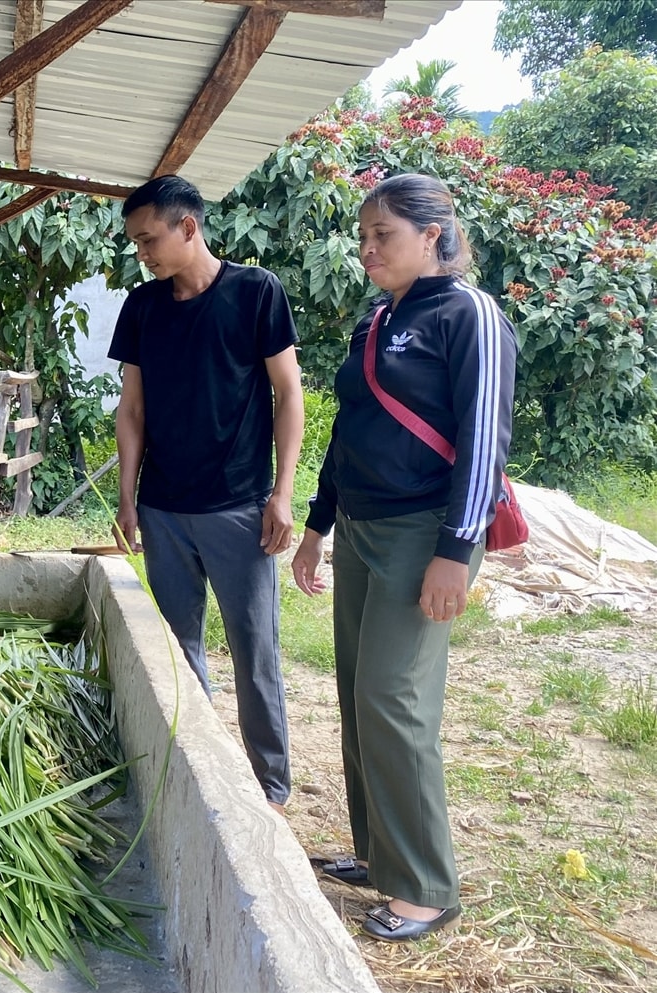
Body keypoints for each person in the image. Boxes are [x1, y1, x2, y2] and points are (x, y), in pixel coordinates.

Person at [292, 172, 517, 942]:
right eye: (362, 238)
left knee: (394, 698)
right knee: (358, 695)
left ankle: (426, 884)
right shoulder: (377, 319)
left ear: (433, 234)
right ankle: (379, 854)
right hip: (360, 525)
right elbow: (349, 426)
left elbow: (484, 438)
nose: (366, 251)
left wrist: (458, 550)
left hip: (427, 533)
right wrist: (318, 524)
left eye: (381, 236)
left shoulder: (471, 314)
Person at [109, 174, 304, 812]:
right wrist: (128, 497)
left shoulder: (255, 292)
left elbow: (289, 394)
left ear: (188, 226)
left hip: (239, 507)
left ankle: (269, 789)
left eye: (150, 238)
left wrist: (282, 493)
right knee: (176, 650)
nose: (143, 252)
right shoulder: (141, 307)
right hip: (164, 509)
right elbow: (131, 410)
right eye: (137, 242)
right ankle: (194, 770)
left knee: (256, 651)